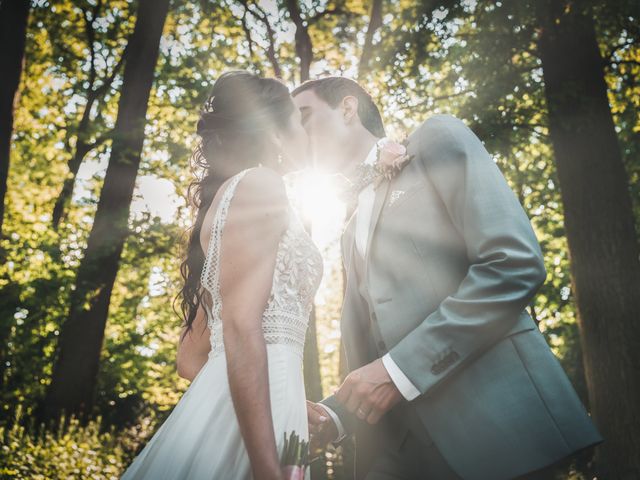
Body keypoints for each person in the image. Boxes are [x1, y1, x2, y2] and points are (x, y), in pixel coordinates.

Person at [294, 77, 603, 480]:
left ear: (348, 109)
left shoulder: (435, 139)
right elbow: (377, 346)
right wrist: (331, 417)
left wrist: (397, 371)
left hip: (499, 434)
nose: (293, 133)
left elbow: (511, 263)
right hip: (400, 459)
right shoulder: (350, 231)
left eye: (303, 116)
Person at [121, 70, 323, 480]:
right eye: (299, 122)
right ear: (275, 134)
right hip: (250, 431)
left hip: (252, 407)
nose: (308, 135)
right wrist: (267, 467)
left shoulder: (228, 199)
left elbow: (190, 357)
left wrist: (275, 396)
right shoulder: (262, 185)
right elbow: (240, 324)